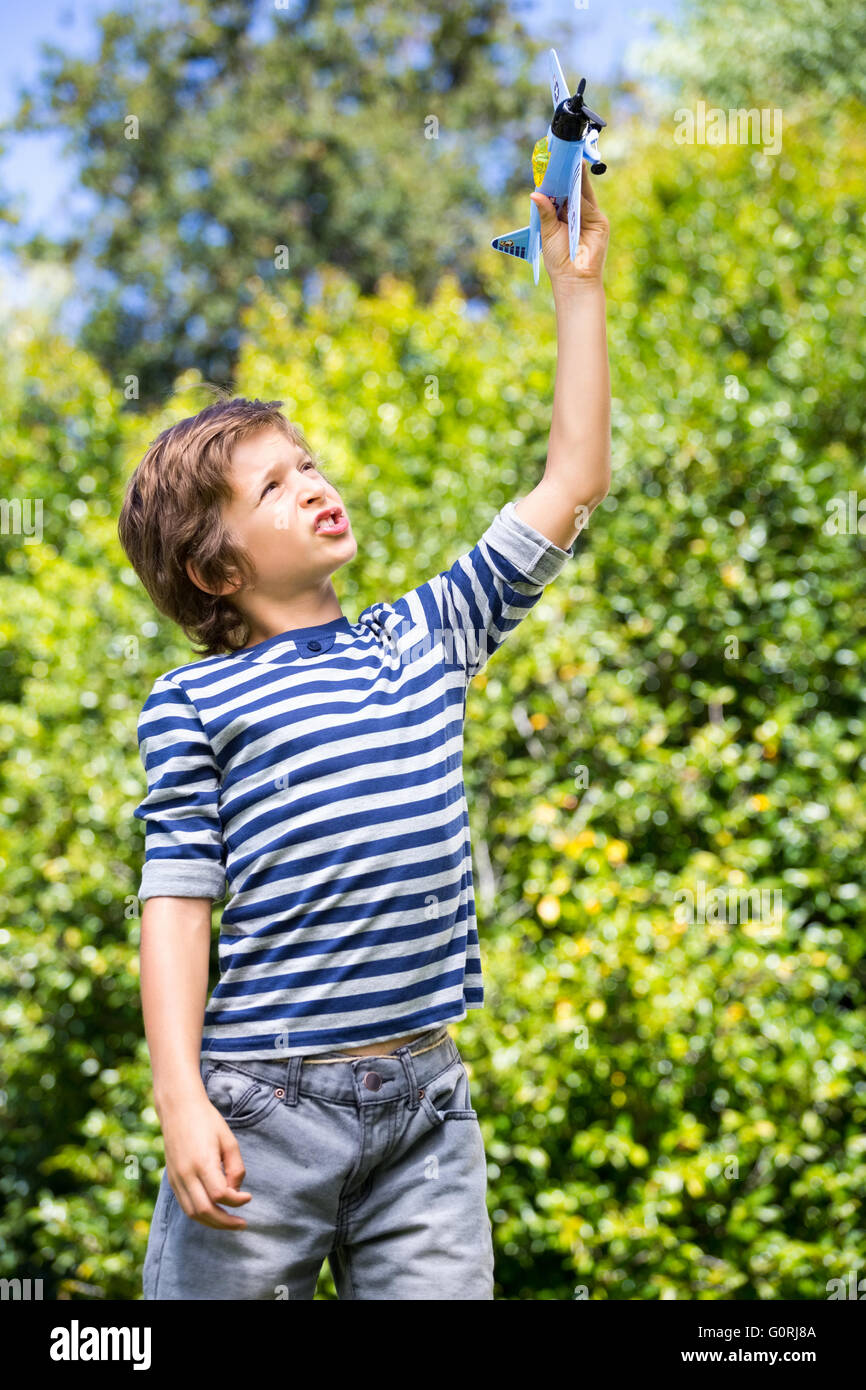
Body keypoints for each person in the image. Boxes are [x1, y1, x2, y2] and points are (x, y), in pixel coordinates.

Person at [117, 175, 610, 1300]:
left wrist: (575, 291)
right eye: (273, 486)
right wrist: (181, 1098)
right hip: (261, 1108)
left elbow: (572, 481)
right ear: (215, 567)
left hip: (426, 1111)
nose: (314, 485)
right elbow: (176, 903)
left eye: (310, 465)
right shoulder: (195, 704)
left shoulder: (427, 634)